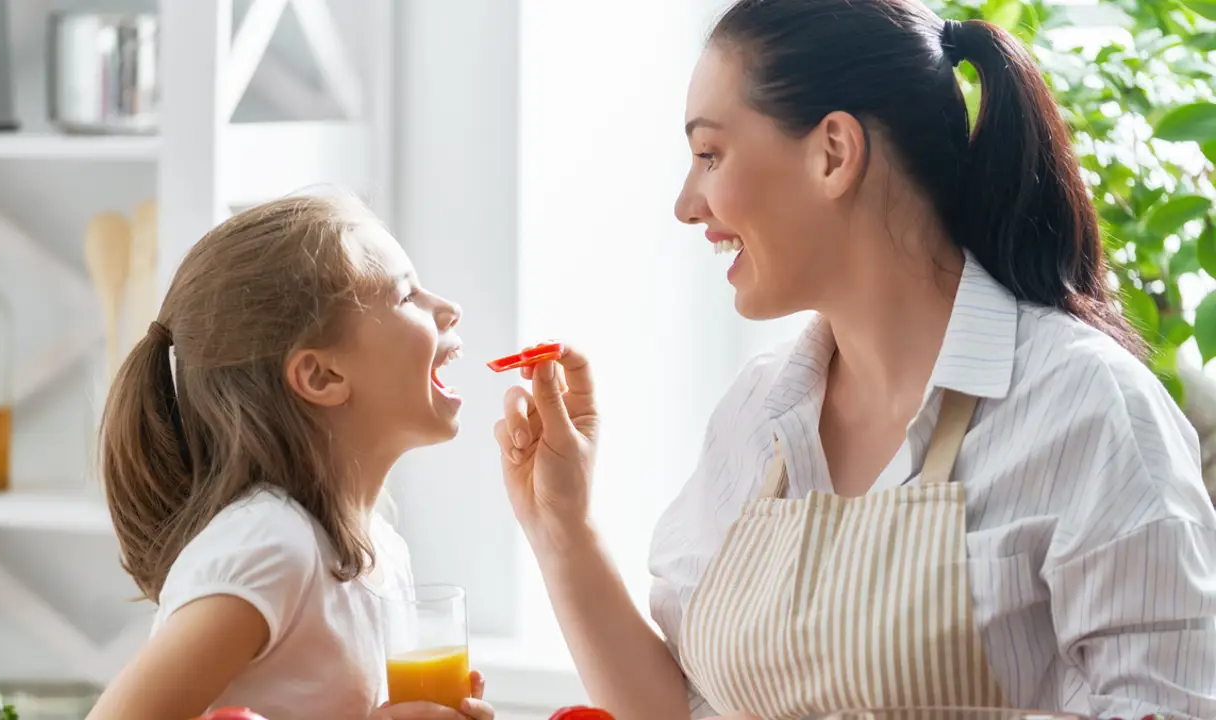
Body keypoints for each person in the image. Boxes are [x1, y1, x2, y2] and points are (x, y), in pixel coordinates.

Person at [494, 1, 1216, 719]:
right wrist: (563, 526)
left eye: (711, 155)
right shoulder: (757, 413)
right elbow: (685, 709)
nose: (687, 204)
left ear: (833, 153)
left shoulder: (1088, 406)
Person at [87, 193, 494, 720]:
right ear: (322, 376)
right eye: (405, 295)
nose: (448, 308)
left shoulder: (381, 552)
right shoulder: (271, 547)